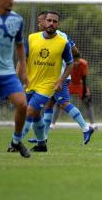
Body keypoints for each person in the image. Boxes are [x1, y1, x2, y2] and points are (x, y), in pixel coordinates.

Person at [24, 11, 95, 145]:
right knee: (49, 105)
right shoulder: (52, 36)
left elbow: (73, 53)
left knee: (63, 103)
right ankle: (43, 137)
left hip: (57, 77)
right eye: (40, 21)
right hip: (49, 78)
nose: (40, 24)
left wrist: (68, 63)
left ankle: (86, 128)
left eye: (41, 21)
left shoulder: (60, 38)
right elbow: (76, 51)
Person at [20, 10, 74, 152]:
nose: (51, 23)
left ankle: (16, 142)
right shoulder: (32, 38)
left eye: (54, 21)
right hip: (31, 83)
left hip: (48, 85)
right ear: (43, 22)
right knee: (36, 114)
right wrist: (20, 75)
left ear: (58, 24)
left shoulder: (63, 43)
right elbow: (23, 58)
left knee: (29, 111)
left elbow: (70, 63)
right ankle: (41, 144)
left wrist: (61, 81)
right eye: (49, 20)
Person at [0, 0, 30, 158]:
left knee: (22, 104)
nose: (12, 0)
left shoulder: (17, 19)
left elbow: (19, 46)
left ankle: (16, 141)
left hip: (7, 72)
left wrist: (23, 70)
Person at [68, 52, 96, 127]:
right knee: (60, 101)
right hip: (70, 83)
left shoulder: (84, 64)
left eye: (77, 60)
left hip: (80, 84)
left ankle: (92, 123)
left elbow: (84, 78)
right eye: (74, 60)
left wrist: (85, 91)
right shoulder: (67, 63)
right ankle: (52, 123)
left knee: (87, 102)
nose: (76, 62)